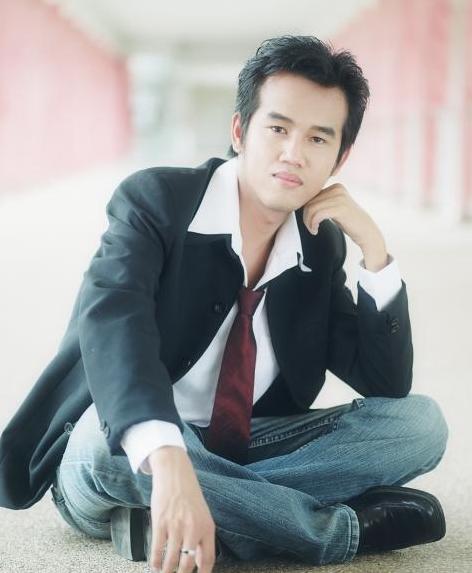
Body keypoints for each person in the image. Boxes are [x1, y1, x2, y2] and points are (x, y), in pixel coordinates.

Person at [0, 35, 448, 573]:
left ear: (340, 156)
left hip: (244, 445)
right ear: (239, 131)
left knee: (420, 425)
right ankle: (329, 531)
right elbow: (114, 327)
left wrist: (375, 251)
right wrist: (169, 458)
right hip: (127, 446)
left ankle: (204, 512)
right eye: (278, 129)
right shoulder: (155, 202)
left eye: (317, 138)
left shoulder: (318, 243)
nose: (293, 153)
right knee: (102, 438)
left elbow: (384, 383)